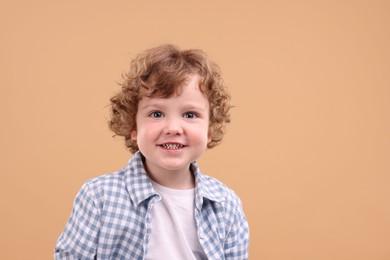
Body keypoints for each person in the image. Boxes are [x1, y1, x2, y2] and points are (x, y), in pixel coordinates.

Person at [54, 44, 250, 259]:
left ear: (210, 129)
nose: (173, 128)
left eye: (190, 114)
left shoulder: (225, 204)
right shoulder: (99, 196)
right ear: (133, 126)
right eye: (157, 114)